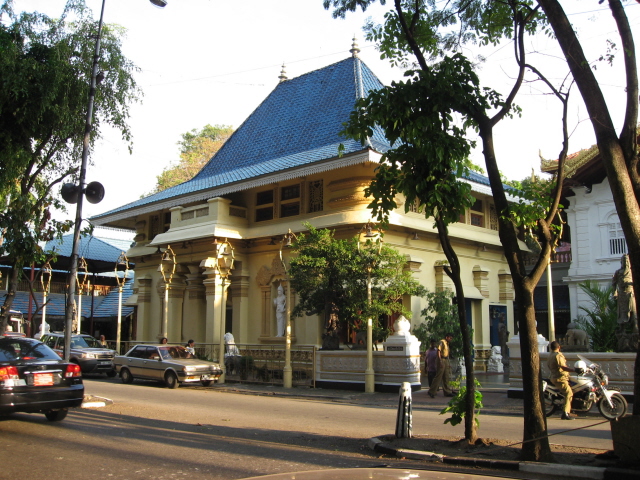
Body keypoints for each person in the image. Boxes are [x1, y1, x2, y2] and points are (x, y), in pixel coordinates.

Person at [547, 341, 579, 420]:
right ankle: (565, 412)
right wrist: (574, 370)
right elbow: (563, 367)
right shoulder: (558, 355)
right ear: (559, 347)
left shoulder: (550, 355)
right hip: (560, 378)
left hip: (554, 376)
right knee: (569, 393)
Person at [612, 254, 638, 333]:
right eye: (624, 261)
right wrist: (615, 292)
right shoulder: (618, 272)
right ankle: (622, 329)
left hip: (630, 294)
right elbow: (614, 283)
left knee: (633, 312)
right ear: (621, 262)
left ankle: (635, 327)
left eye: (627, 261)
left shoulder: (632, 271)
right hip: (622, 295)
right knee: (622, 313)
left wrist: (630, 284)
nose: (626, 263)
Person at [428, 333, 454, 398]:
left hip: (445, 360)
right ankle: (432, 391)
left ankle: (447, 391)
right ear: (447, 337)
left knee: (446, 376)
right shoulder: (442, 342)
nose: (451, 339)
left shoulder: (447, 343)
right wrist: (440, 361)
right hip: (441, 359)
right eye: (450, 338)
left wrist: (448, 363)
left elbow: (447, 353)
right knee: (439, 376)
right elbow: (438, 351)